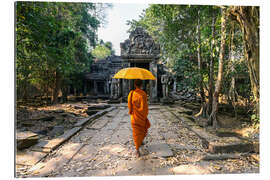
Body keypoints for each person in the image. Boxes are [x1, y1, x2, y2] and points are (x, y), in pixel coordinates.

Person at [128, 79, 151, 157]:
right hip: (141, 117)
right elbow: (144, 107)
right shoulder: (143, 94)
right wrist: (144, 114)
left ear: (135, 85)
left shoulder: (131, 93)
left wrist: (131, 111)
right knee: (142, 130)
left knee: (136, 133)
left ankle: (137, 150)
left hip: (134, 117)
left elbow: (129, 106)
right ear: (141, 85)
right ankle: (139, 144)